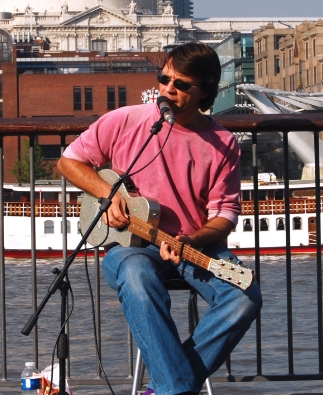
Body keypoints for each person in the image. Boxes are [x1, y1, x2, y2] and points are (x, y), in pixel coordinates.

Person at [57, 42, 262, 395]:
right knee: (136, 276)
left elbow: (225, 214)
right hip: (132, 248)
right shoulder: (125, 120)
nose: (168, 89)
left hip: (194, 246)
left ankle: (169, 387)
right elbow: (69, 161)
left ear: (206, 90)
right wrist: (108, 195)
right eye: (164, 78)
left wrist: (192, 241)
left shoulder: (223, 143)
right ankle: (175, 387)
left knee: (245, 296)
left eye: (182, 85)